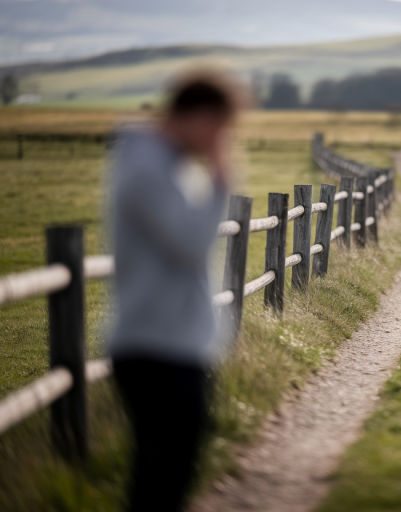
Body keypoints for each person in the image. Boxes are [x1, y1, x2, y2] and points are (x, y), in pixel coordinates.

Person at [108, 69, 241, 512]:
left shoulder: (163, 165)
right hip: (155, 346)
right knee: (161, 479)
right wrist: (222, 180)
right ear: (199, 116)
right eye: (221, 128)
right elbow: (191, 244)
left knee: (167, 476)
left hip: (166, 342)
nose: (220, 140)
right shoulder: (148, 169)